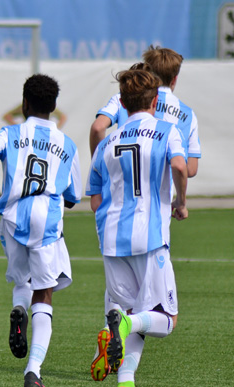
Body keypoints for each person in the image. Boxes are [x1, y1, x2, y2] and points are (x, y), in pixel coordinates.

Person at [0, 74, 82, 387]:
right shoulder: (67, 143)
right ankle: (33, 370)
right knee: (44, 292)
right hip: (45, 221)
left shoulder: (11, 132)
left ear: (24, 103)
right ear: (53, 106)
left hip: (12, 217)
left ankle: (18, 309)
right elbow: (73, 197)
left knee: (22, 280)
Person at [85, 69, 188, 387]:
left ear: (123, 104)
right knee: (165, 320)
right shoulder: (167, 130)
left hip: (113, 240)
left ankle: (126, 379)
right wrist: (180, 201)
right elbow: (180, 166)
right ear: (155, 100)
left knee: (132, 309)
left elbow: (95, 197)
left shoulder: (107, 142)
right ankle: (123, 324)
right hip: (150, 238)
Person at [89, 46, 200, 178]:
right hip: (159, 194)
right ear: (174, 79)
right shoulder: (188, 115)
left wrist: (101, 166)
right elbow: (191, 169)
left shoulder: (124, 97)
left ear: (148, 73)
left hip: (120, 185)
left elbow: (98, 127)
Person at [3, 103, 68, 129]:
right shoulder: (26, 105)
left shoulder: (47, 104)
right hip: (28, 134)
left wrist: (55, 129)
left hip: (44, 134)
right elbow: (7, 116)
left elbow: (63, 117)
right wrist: (18, 127)